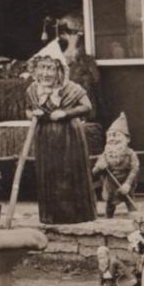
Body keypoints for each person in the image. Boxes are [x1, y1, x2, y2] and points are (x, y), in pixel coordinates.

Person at [25, 41, 97, 224]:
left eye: (50, 68)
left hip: (69, 138)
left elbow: (87, 107)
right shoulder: (33, 90)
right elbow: (27, 109)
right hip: (44, 138)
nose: (45, 73)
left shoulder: (71, 89)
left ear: (59, 70)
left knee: (68, 174)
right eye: (42, 68)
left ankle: (75, 216)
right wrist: (32, 114)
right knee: (48, 174)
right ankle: (50, 215)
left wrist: (65, 113)